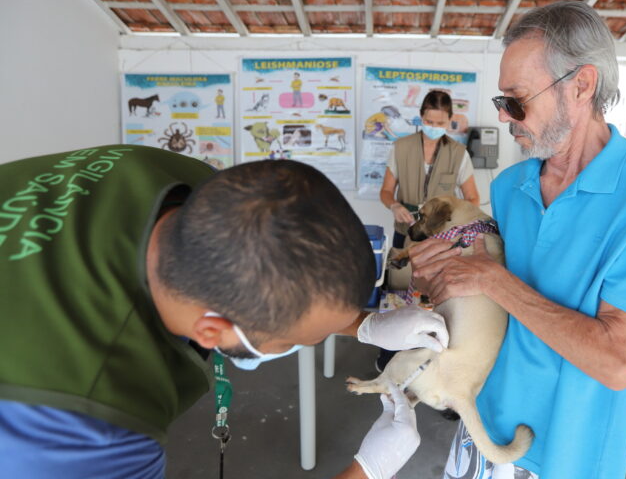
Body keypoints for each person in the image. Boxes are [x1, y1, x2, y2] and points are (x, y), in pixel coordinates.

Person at [0, 145, 449, 479]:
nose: (304, 344)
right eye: (293, 342)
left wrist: (364, 323)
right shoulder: (87, 426)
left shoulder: (189, 181)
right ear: (210, 330)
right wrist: (366, 471)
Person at [409, 0, 626, 479]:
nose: (507, 118)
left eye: (517, 100)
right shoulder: (510, 186)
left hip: (571, 453)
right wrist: (443, 275)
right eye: (501, 103)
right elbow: (491, 299)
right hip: (484, 427)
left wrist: (491, 280)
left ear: (581, 86)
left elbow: (618, 361)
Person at [380, 90, 480, 250]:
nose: (434, 127)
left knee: (440, 274)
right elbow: (386, 191)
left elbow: (473, 198)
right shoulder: (401, 148)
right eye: (429, 121)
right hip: (405, 230)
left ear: (449, 120)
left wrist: (453, 220)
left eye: (440, 123)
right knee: (400, 273)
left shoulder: (459, 153)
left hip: (443, 235)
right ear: (421, 117)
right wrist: (394, 206)